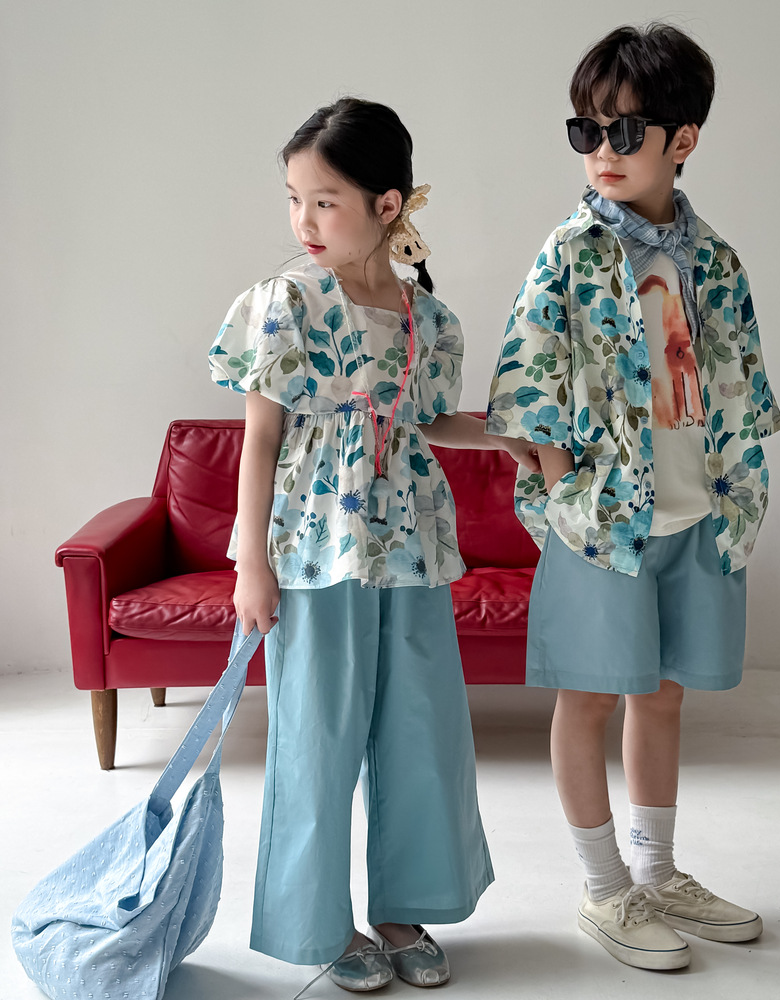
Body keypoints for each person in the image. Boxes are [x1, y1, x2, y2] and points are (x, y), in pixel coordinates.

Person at [209, 97, 536, 994]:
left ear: (387, 205)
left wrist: (507, 437)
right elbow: (261, 440)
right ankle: (319, 924)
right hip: (315, 553)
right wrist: (250, 562)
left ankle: (403, 909)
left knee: (420, 732)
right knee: (317, 739)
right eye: (295, 200)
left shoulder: (430, 320)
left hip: (413, 550)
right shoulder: (285, 304)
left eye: (325, 201)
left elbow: (430, 421)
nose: (304, 222)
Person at [487, 23, 780, 971]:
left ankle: (658, 874)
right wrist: (563, 496)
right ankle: (605, 887)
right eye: (587, 131)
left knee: (662, 696)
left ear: (682, 138)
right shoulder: (569, 253)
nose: (602, 152)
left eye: (624, 131)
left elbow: (740, 384)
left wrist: (738, 499)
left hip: (700, 511)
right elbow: (526, 386)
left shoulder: (716, 260)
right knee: (587, 699)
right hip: (602, 524)